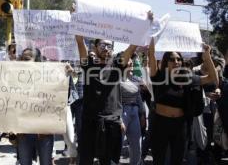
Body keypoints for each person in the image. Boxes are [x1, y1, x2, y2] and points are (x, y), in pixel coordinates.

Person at [148, 39, 218, 165]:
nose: (176, 62)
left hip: (180, 125)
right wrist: (152, 35)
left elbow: (212, 78)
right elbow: (151, 54)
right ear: (165, 61)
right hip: (160, 124)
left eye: (178, 59)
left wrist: (207, 57)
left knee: (177, 159)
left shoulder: (187, 77)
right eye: (172, 59)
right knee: (159, 159)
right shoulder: (158, 76)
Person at [75, 35, 137, 165]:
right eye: (103, 45)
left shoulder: (117, 66)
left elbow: (132, 48)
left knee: (109, 161)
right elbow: (80, 42)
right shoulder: (88, 65)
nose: (106, 48)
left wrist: (142, 27)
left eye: (109, 46)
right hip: (90, 121)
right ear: (95, 47)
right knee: (86, 160)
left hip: (111, 122)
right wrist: (78, 29)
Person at [17, 47, 54, 165]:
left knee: (45, 162)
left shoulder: (50, 78)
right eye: (21, 59)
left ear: (37, 61)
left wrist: (66, 74)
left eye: (26, 59)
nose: (23, 62)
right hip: (23, 131)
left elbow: (57, 101)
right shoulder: (13, 78)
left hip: (44, 131)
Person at [119, 55, 146, 165]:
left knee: (136, 143)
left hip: (135, 111)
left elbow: (139, 97)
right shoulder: (116, 79)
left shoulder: (136, 79)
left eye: (132, 63)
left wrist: (143, 113)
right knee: (117, 143)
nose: (132, 64)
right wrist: (119, 119)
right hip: (122, 112)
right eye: (129, 62)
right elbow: (114, 100)